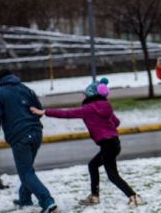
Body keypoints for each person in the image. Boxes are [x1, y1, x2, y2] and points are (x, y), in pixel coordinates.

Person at [29, 78, 143, 206]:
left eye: (84, 94)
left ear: (90, 95)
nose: (83, 96)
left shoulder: (88, 109)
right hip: (114, 143)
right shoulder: (105, 106)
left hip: (107, 145)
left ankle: (133, 196)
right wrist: (104, 126)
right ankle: (94, 196)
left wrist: (44, 112)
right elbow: (116, 123)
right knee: (93, 165)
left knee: (112, 175)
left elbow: (67, 114)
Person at [0, 69, 57, 213]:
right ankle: (24, 198)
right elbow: (39, 109)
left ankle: (47, 200)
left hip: (20, 137)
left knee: (25, 172)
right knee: (27, 169)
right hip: (36, 133)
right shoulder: (26, 89)